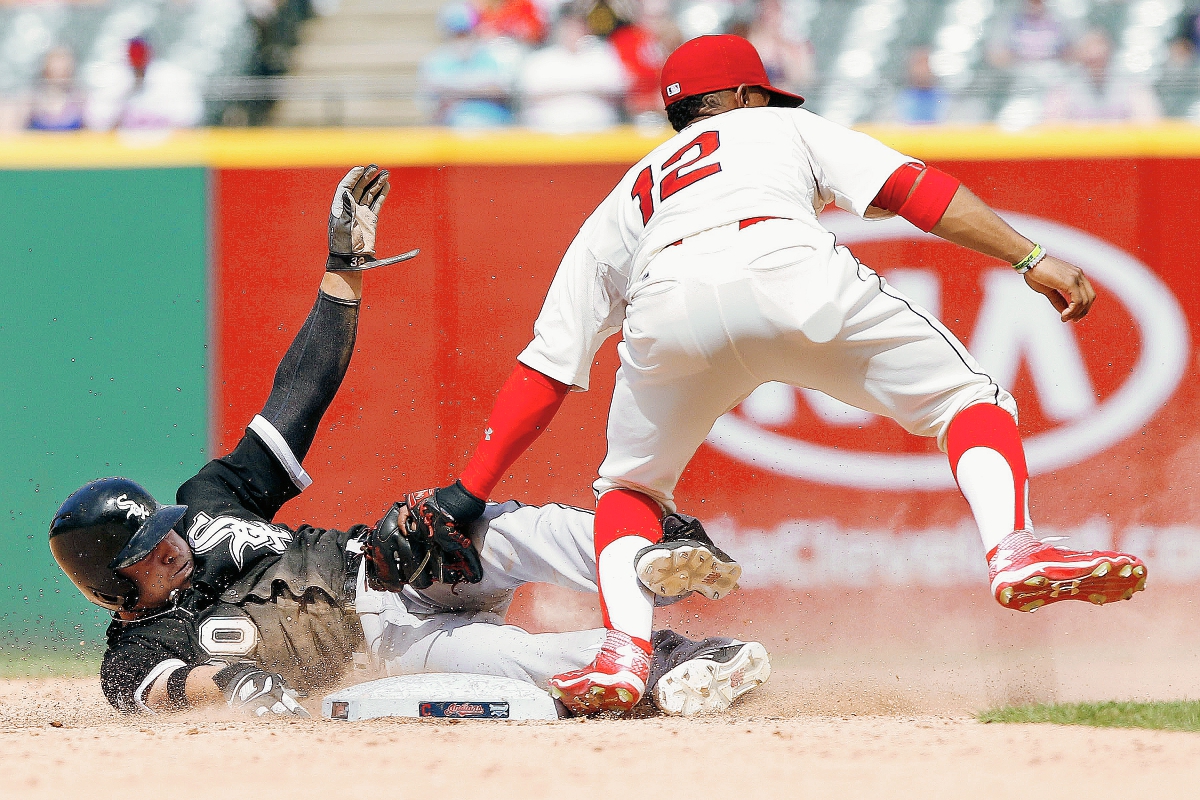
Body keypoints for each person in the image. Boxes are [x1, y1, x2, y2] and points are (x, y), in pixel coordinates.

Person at [408, 34, 1149, 715]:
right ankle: (1013, 549)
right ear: (743, 97)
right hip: (790, 270)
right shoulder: (781, 127)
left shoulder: (627, 194)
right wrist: (1027, 256)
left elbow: (547, 368)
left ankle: (625, 653)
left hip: (667, 299)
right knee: (967, 399)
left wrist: (467, 492)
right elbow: (913, 191)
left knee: (629, 490)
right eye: (763, 93)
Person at [47, 166, 768, 719]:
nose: (170, 547)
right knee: (518, 659)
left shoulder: (207, 504)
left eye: (161, 535)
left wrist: (341, 277)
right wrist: (234, 682)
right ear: (113, 584)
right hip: (388, 649)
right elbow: (173, 687)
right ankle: (689, 664)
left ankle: (647, 550)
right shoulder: (133, 655)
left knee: (509, 530)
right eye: (146, 554)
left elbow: (298, 399)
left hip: (394, 566)